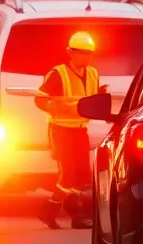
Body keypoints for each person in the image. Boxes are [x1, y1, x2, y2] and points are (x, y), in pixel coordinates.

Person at [34, 31, 108, 230]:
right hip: (61, 130)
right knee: (68, 175)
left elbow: (89, 97)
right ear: (70, 52)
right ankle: (50, 209)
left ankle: (75, 215)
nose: (88, 56)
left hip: (80, 129)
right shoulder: (58, 74)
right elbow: (40, 99)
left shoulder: (93, 73)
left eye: (90, 53)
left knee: (83, 176)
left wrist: (100, 97)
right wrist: (59, 107)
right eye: (83, 52)